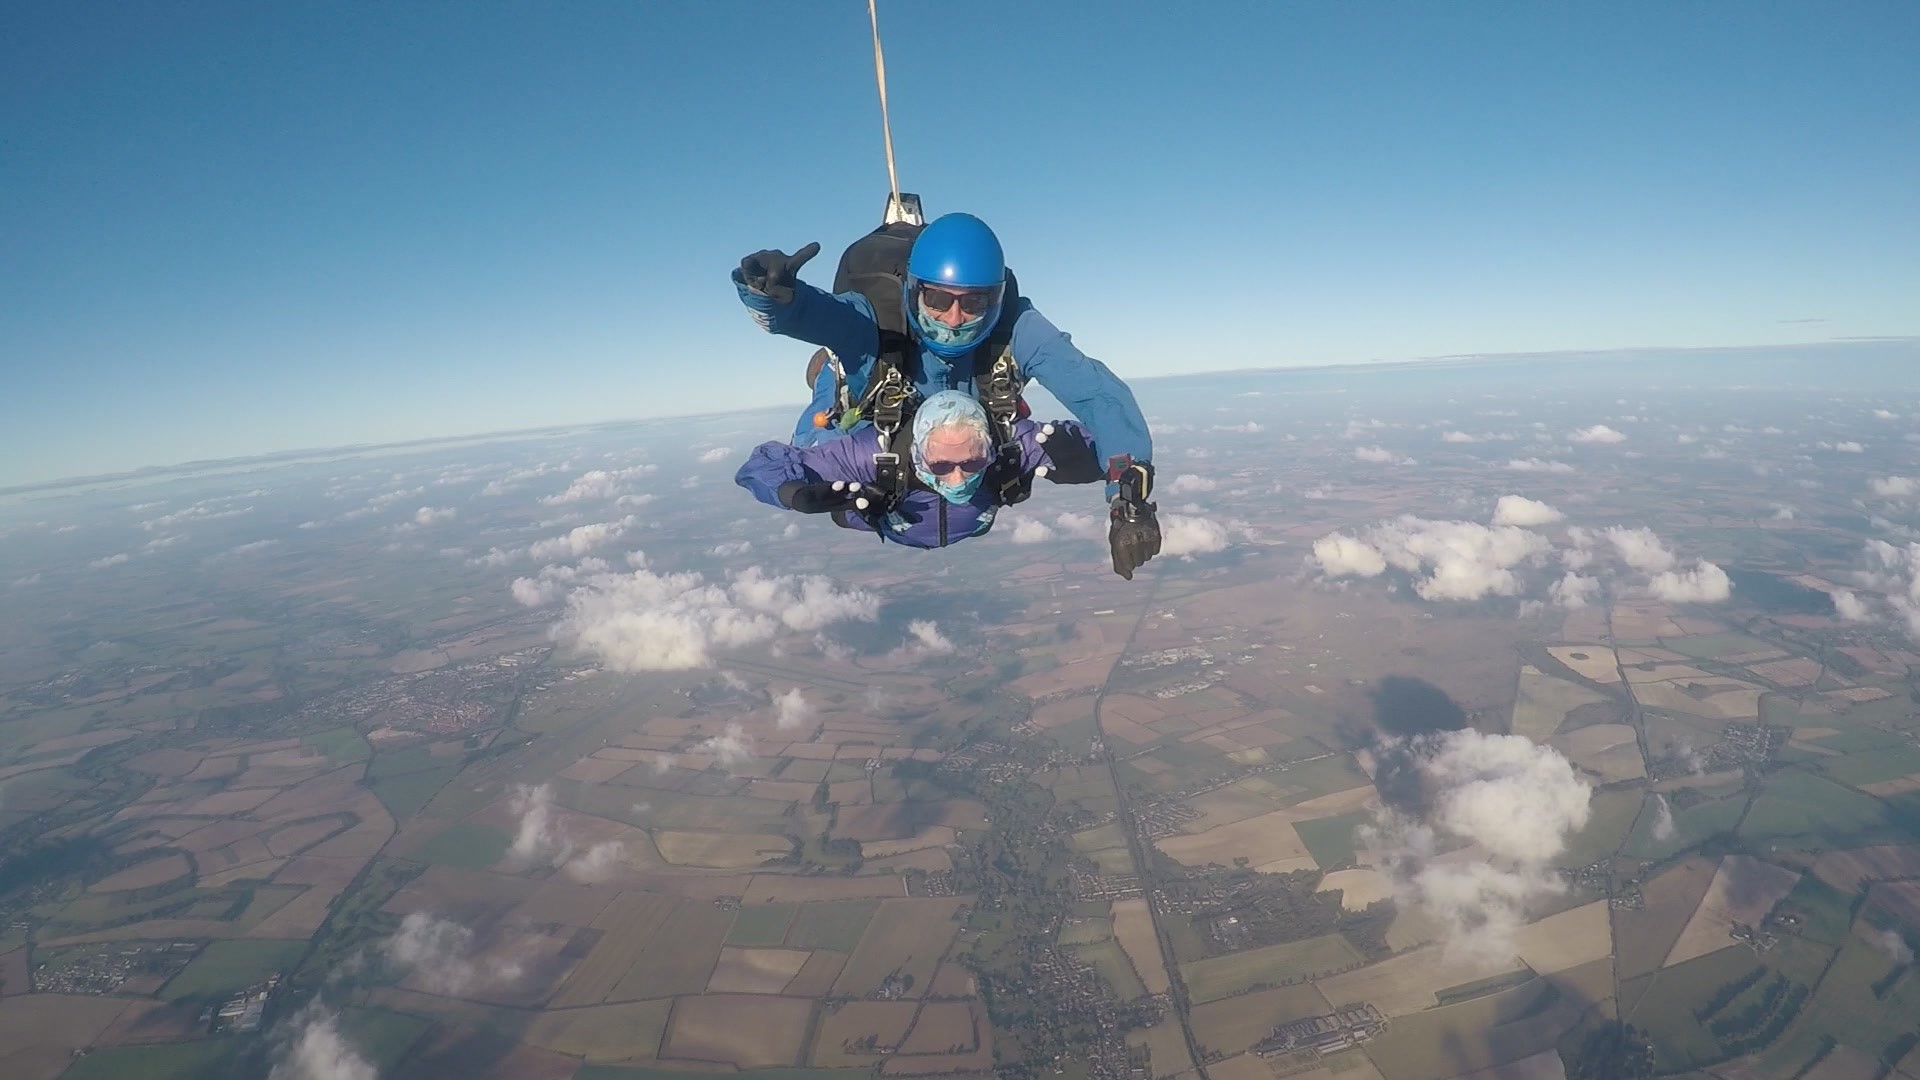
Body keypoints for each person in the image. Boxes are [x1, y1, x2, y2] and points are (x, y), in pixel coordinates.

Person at [733, 212, 1162, 578]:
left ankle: (844, 369)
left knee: (998, 443)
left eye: (973, 303)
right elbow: (820, 315)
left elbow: (1099, 397)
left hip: (958, 469)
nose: (954, 319)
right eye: (938, 300)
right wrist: (771, 296)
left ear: (995, 299)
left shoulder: (1016, 329)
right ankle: (832, 369)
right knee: (831, 408)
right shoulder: (876, 327)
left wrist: (1129, 499)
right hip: (876, 422)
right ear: (914, 291)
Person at [736, 391, 1104, 550]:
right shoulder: (871, 455)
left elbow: (1114, 442)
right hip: (861, 514)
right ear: (916, 452)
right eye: (940, 465)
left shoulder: (1012, 447)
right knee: (819, 430)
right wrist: (795, 494)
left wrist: (1093, 460)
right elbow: (759, 466)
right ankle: (828, 377)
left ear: (990, 449)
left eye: (973, 462)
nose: (957, 478)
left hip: (937, 529)